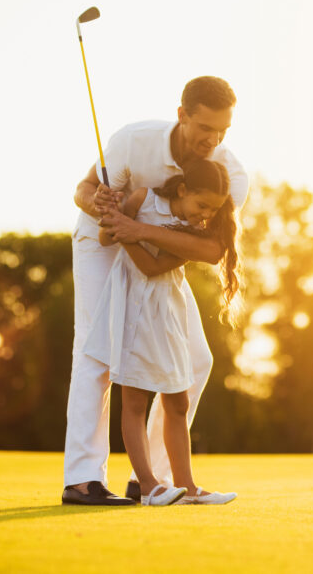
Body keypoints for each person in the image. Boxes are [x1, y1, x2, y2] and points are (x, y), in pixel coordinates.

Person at [62, 76, 248, 506]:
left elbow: (212, 247)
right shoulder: (134, 139)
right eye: (205, 127)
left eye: (222, 130)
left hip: (158, 251)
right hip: (102, 243)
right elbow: (83, 189)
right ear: (182, 114)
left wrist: (138, 229)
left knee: (197, 360)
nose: (213, 139)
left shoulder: (228, 174)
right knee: (98, 351)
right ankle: (83, 479)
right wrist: (103, 206)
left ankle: (156, 479)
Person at [84, 160, 240, 505]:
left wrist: (131, 233)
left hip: (167, 312)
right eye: (202, 206)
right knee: (135, 399)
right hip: (132, 308)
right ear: (183, 190)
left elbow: (152, 266)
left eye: (212, 210)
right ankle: (148, 484)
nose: (205, 216)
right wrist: (112, 216)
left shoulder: (191, 232)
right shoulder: (142, 198)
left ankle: (186, 485)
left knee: (179, 401)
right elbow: (105, 235)